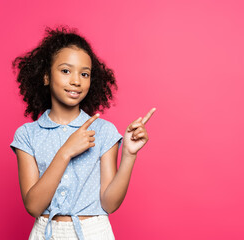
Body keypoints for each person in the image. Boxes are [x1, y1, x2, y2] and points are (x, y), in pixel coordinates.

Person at [10, 26, 156, 240]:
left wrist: (129, 155)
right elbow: (33, 206)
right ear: (46, 77)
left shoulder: (104, 131)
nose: (76, 81)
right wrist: (66, 151)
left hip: (94, 232)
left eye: (84, 74)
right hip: (45, 232)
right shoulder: (27, 135)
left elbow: (109, 203)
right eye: (66, 71)